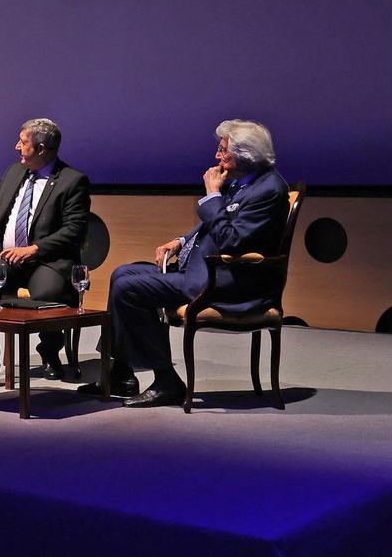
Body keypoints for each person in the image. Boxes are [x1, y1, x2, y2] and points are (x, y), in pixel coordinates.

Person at [81, 119, 289, 408]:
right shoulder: (245, 183)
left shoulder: (268, 191)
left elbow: (231, 241)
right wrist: (181, 240)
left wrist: (213, 195)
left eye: (223, 151)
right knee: (122, 273)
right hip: (203, 269)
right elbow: (217, 226)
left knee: (128, 288)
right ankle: (121, 373)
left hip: (227, 282)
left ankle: (167, 381)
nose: (217, 157)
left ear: (245, 155)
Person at [0, 118, 91, 391]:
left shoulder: (73, 181)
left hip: (46, 260)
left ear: (41, 148)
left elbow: (74, 229)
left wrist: (34, 249)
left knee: (49, 291)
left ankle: (49, 352)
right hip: (7, 257)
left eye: (23, 143)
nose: (16, 147)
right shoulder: (14, 172)